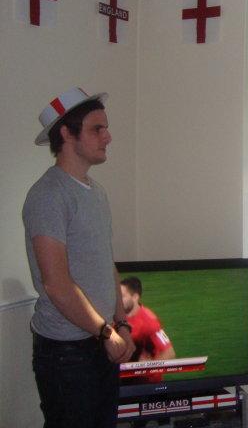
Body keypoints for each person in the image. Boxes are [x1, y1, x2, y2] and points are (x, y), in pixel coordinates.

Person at [23, 87, 135, 428]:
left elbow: (106, 264)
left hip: (101, 340)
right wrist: (107, 333)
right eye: (97, 129)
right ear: (66, 134)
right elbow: (57, 284)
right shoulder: (48, 195)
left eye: (106, 128)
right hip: (66, 354)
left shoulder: (96, 193)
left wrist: (122, 324)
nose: (108, 137)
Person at [120, 276, 176, 382]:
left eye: (122, 296)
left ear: (135, 297)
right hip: (124, 374)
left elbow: (169, 353)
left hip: (144, 381)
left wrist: (146, 367)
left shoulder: (149, 322)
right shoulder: (118, 315)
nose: (117, 301)